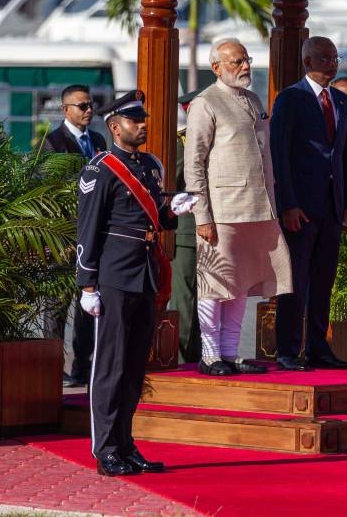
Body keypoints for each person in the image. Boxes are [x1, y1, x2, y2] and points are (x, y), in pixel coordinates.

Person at [75, 90, 196, 476]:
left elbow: (155, 215)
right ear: (114, 127)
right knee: (109, 366)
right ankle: (106, 448)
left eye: (143, 119)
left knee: (133, 368)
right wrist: (87, 284)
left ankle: (126, 444)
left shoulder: (152, 166)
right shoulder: (101, 169)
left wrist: (171, 210)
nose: (142, 125)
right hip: (113, 275)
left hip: (144, 273)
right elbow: (89, 228)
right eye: (134, 120)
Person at [185, 38, 293, 376]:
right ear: (216, 67)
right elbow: (194, 164)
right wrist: (202, 215)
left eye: (246, 59)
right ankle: (211, 354)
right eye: (236, 61)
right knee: (215, 283)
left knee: (241, 284)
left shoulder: (252, 99)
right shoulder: (206, 102)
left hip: (258, 208)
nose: (244, 66)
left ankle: (230, 354)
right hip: (223, 210)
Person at [270, 36, 347, 371]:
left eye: (334, 58)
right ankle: (288, 350)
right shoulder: (290, 99)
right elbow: (280, 154)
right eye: (324, 58)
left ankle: (320, 348)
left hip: (333, 207)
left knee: (324, 281)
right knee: (295, 281)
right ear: (308, 62)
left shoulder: (338, 99)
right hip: (301, 208)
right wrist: (288, 204)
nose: (331, 64)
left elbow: (345, 154)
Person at [41, 84, 108, 388]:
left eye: (91, 105)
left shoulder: (97, 140)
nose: (89, 110)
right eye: (82, 106)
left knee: (88, 303)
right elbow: (48, 191)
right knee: (56, 306)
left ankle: (82, 366)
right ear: (66, 109)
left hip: (93, 235)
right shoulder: (53, 142)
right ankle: (53, 367)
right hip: (64, 237)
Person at [170, 88, 202, 365]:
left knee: (210, 301)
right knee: (185, 300)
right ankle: (181, 360)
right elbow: (175, 184)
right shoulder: (182, 143)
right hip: (188, 232)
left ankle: (201, 356)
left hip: (215, 229)